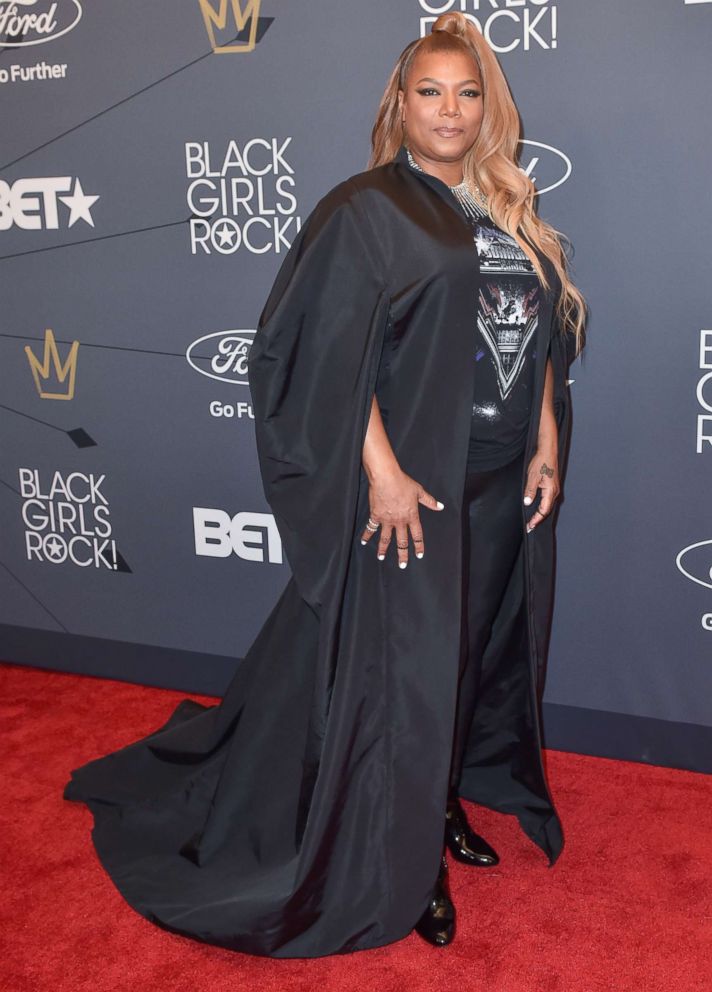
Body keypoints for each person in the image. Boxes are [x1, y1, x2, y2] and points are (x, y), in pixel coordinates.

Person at [63, 13, 586, 958]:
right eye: (430, 91)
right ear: (400, 101)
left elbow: (540, 336)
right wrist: (379, 472)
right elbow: (320, 351)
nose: (450, 109)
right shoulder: (368, 209)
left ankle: (440, 803)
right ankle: (407, 852)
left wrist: (546, 438)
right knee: (407, 680)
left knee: (463, 659)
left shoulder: (512, 203)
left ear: (490, 105)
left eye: (468, 92)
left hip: (501, 484)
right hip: (418, 488)